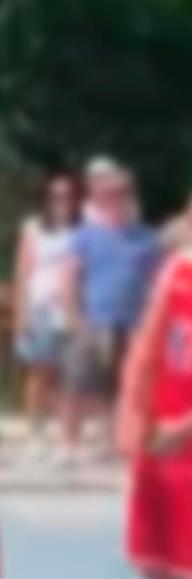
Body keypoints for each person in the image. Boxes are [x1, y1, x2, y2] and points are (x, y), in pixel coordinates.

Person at [62, 162, 160, 464]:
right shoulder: (85, 235)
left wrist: (151, 323)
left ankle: (112, 438)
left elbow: (156, 282)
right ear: (99, 198)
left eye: (122, 192)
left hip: (131, 321)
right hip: (94, 319)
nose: (116, 199)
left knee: (120, 385)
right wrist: (73, 317)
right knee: (76, 381)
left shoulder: (145, 237)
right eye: (109, 194)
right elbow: (69, 277)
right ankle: (69, 443)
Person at [116, 247, 192, 579]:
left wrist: (186, 429)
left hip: (179, 435)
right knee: (156, 565)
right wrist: (133, 420)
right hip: (162, 448)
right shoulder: (177, 269)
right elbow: (144, 349)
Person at [12, 174, 79, 456]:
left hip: (67, 310)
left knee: (65, 375)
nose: (61, 202)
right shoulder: (34, 228)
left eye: (66, 196)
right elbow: (23, 271)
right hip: (39, 306)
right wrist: (21, 312)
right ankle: (35, 431)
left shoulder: (79, 231)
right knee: (38, 373)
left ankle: (63, 434)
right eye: (55, 196)